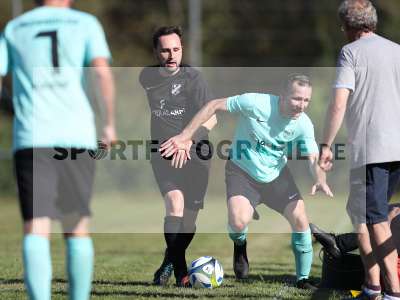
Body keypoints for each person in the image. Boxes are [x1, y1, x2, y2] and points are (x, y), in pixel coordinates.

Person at [160, 74, 333, 289]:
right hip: (241, 172)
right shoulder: (256, 102)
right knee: (239, 222)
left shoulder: (304, 125)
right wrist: (186, 136)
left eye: (306, 100)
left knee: (300, 218)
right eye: (297, 99)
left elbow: (314, 159)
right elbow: (213, 105)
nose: (301, 105)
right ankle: (240, 245)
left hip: (276, 176)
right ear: (282, 95)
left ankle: (303, 279)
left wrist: (319, 178)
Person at [0, 0, 116, 299]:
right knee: (76, 226)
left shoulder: (15, 27)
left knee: (36, 226)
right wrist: (109, 124)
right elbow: (102, 73)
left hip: (32, 136)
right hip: (75, 135)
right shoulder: (85, 23)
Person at [319, 0, 400, 299]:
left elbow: (339, 102)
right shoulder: (396, 50)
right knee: (361, 215)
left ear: (347, 26)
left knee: (374, 217)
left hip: (372, 150)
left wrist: (326, 144)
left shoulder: (350, 52)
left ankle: (393, 292)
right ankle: (372, 285)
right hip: (395, 149)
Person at [139, 26, 217, 287]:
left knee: (190, 219)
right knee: (174, 205)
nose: (171, 55)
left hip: (197, 154)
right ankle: (182, 274)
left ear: (181, 49)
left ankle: (168, 261)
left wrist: (186, 139)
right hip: (163, 153)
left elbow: (212, 118)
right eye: (165, 50)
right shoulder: (146, 77)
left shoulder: (194, 78)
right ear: (155, 52)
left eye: (176, 49)